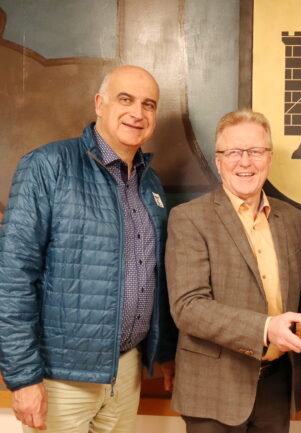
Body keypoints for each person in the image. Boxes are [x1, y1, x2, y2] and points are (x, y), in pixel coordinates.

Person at [0, 65, 177, 433]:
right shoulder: (48, 166)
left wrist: (164, 353)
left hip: (126, 372)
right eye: (125, 99)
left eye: (148, 104)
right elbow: (12, 278)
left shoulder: (151, 183)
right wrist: (23, 378)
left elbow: (155, 275)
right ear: (99, 103)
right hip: (61, 378)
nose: (137, 113)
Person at [166, 109, 301, 433]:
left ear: (269, 158)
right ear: (218, 161)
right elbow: (188, 308)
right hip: (214, 390)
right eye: (233, 152)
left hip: (277, 387)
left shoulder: (292, 219)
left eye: (255, 151)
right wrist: (265, 329)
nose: (245, 162)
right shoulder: (189, 219)